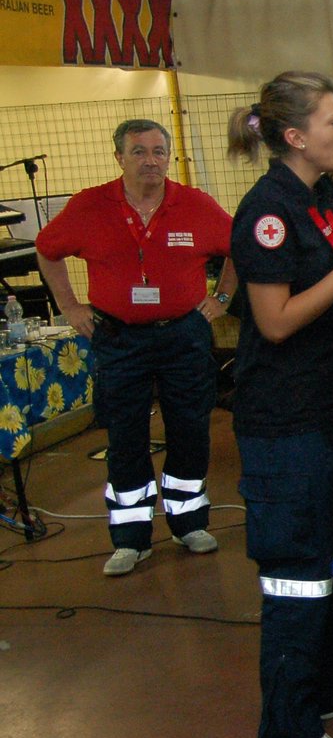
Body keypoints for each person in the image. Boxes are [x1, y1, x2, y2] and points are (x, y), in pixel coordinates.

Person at [227, 72, 333, 738]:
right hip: (284, 421)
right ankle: (287, 722)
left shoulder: (325, 197)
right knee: (297, 573)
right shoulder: (267, 212)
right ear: (294, 137)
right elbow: (276, 319)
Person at [37, 119, 235, 576]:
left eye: (158, 151)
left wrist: (221, 298)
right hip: (118, 338)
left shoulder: (195, 205)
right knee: (125, 436)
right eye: (139, 151)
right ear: (119, 158)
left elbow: (240, 247)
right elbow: (47, 250)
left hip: (183, 336)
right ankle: (130, 539)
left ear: (169, 157)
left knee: (189, 429)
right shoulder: (90, 206)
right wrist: (69, 307)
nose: (151, 160)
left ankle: (189, 524)